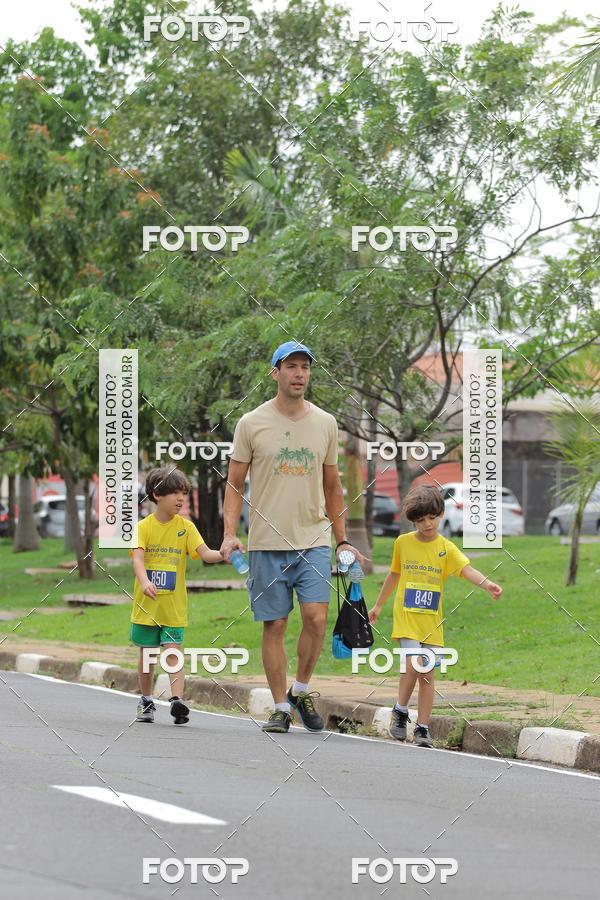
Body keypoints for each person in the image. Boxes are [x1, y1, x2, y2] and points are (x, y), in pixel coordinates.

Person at [220, 341, 367, 734]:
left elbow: (333, 485)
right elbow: (234, 485)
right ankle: (281, 706)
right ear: (275, 373)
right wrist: (229, 533)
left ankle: (300, 689)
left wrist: (343, 540)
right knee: (275, 624)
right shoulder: (251, 423)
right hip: (266, 541)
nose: (300, 374)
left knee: (316, 618)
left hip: (313, 538)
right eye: (292, 367)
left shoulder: (325, 423)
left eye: (305, 367)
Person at [369, 484, 502, 747]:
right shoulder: (403, 543)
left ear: (441, 514)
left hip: (431, 619)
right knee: (412, 664)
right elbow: (393, 574)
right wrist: (378, 605)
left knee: (427, 672)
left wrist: (487, 584)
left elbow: (467, 570)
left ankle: (422, 727)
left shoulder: (446, 548)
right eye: (420, 520)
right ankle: (401, 710)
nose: (427, 524)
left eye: (431, 517)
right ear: (413, 521)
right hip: (406, 615)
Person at [130, 467, 223, 724]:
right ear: (156, 495)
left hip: (174, 607)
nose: (180, 499)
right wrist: (145, 581)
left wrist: (223, 553)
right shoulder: (143, 527)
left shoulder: (186, 527)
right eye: (174, 493)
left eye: (183, 493)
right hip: (146, 606)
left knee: (173, 652)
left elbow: (205, 554)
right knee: (147, 655)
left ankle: (177, 701)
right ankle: (146, 700)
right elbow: (137, 559)